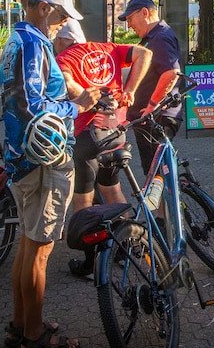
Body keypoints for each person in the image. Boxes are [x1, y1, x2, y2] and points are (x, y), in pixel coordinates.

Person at [0, 0, 97, 348]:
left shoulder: (16, 41)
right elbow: (33, 106)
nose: (62, 24)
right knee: (39, 251)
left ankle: (21, 326)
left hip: (24, 158)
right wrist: (79, 105)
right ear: (43, 8)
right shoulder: (32, 44)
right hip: (42, 159)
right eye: (61, 16)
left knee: (27, 247)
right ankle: (34, 335)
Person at [53, 18, 152, 278]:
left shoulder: (64, 56)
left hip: (88, 134)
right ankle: (126, 245)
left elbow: (64, 81)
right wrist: (130, 89)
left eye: (55, 39)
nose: (54, 43)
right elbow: (145, 53)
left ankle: (91, 263)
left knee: (83, 199)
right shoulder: (106, 48)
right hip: (115, 130)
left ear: (64, 39)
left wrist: (84, 95)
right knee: (111, 188)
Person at [118, 0, 183, 176]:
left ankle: (166, 205)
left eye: (130, 19)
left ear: (145, 13)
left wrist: (151, 107)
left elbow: (171, 72)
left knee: (156, 176)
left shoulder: (160, 37)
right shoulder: (154, 37)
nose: (129, 25)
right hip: (151, 118)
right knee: (156, 174)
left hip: (155, 118)